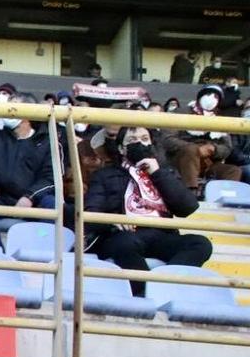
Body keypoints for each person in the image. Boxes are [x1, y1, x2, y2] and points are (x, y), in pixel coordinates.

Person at [85, 126, 212, 296]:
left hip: (162, 235)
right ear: (122, 149)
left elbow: (187, 207)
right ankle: (144, 292)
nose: (139, 144)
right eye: (132, 141)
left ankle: (166, 288)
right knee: (125, 244)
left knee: (200, 244)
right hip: (125, 234)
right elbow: (91, 212)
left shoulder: (165, 172)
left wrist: (157, 173)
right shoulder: (104, 175)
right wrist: (112, 220)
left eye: (145, 139)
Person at [0, 94, 57, 247]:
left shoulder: (47, 142)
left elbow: (51, 177)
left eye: (12, 107)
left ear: (28, 114)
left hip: (33, 201)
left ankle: (41, 250)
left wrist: (30, 197)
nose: (7, 111)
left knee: (52, 203)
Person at [159, 85, 243, 195]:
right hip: (182, 159)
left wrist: (214, 149)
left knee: (233, 171)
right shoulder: (180, 113)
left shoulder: (220, 119)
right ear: (200, 96)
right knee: (191, 150)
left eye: (216, 97)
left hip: (209, 162)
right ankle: (191, 193)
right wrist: (196, 149)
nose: (211, 99)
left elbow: (227, 147)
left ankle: (225, 198)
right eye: (208, 94)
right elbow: (168, 139)